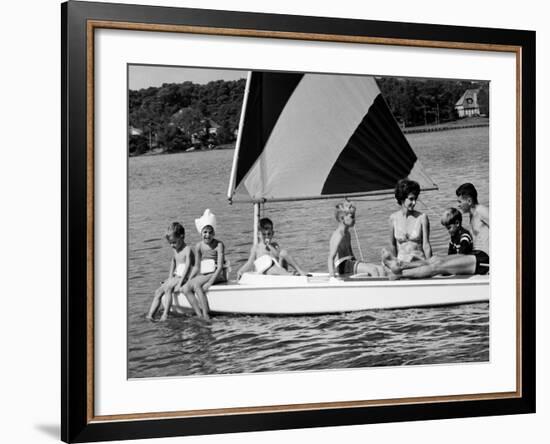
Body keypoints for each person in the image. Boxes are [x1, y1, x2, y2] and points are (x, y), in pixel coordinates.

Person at [383, 184, 489, 278]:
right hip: (475, 256)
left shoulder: (481, 210)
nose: (458, 205)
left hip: (484, 259)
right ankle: (401, 264)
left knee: (437, 266)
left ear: (469, 201)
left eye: (460, 201)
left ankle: (398, 274)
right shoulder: (472, 215)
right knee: (436, 259)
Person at [182, 209, 227, 320]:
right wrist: (189, 279)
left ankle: (206, 314)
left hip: (217, 274)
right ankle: (199, 313)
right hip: (205, 274)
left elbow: (220, 266)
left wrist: (210, 282)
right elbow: (197, 266)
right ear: (201, 233)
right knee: (186, 288)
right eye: (205, 232)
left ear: (214, 233)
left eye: (210, 232)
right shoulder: (198, 246)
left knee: (197, 285)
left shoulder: (219, 245)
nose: (207, 235)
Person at [146, 222, 193, 322]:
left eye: (174, 242)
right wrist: (170, 277)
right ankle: (150, 315)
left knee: (168, 288)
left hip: (184, 276)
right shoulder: (175, 249)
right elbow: (173, 262)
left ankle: (165, 314)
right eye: (170, 243)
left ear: (182, 237)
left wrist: (180, 282)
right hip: (176, 276)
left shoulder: (187, 249)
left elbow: (188, 266)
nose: (172, 245)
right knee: (158, 291)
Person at [328, 200, 386, 278]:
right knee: (373, 270)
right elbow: (330, 257)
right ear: (342, 218)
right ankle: (373, 289)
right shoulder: (339, 234)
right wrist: (332, 276)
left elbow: (350, 253)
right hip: (343, 265)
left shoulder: (347, 233)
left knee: (381, 269)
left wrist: (360, 263)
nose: (354, 219)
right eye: (351, 216)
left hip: (350, 262)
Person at [237, 217, 308, 279]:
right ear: (259, 234)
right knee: (271, 269)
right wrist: (241, 271)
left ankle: (300, 271)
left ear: (273, 233)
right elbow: (250, 262)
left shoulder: (275, 245)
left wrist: (278, 254)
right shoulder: (257, 248)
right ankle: (289, 275)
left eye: (269, 234)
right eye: (264, 234)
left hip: (280, 270)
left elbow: (281, 259)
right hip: (267, 272)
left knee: (283, 252)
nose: (266, 237)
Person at [388, 179, 432, 262]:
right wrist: (394, 265)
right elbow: (392, 245)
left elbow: (426, 245)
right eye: (411, 199)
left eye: (415, 199)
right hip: (402, 264)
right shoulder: (393, 218)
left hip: (419, 263)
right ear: (402, 198)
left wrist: (431, 267)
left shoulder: (422, 217)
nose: (414, 202)